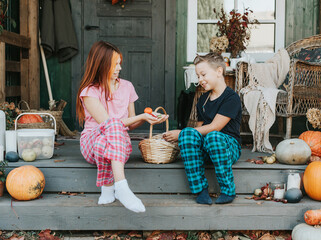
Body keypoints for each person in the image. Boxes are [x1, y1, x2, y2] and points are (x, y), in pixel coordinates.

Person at [76, 41, 168, 213]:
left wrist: (147, 118)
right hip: (90, 143)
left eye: (120, 63)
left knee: (106, 140)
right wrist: (141, 115)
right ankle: (122, 187)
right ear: (101, 65)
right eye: (114, 64)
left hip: (117, 146)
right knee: (110, 127)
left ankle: (108, 188)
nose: (119, 68)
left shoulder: (127, 86)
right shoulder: (89, 91)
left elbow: (130, 125)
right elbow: (107, 124)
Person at [163, 53, 242, 205]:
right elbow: (199, 129)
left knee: (213, 136)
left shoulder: (231, 98)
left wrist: (180, 133)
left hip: (228, 147)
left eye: (203, 74)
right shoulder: (202, 100)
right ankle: (200, 190)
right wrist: (186, 138)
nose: (200, 80)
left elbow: (215, 127)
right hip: (207, 146)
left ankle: (227, 189)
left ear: (219, 71)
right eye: (198, 76)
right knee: (189, 135)